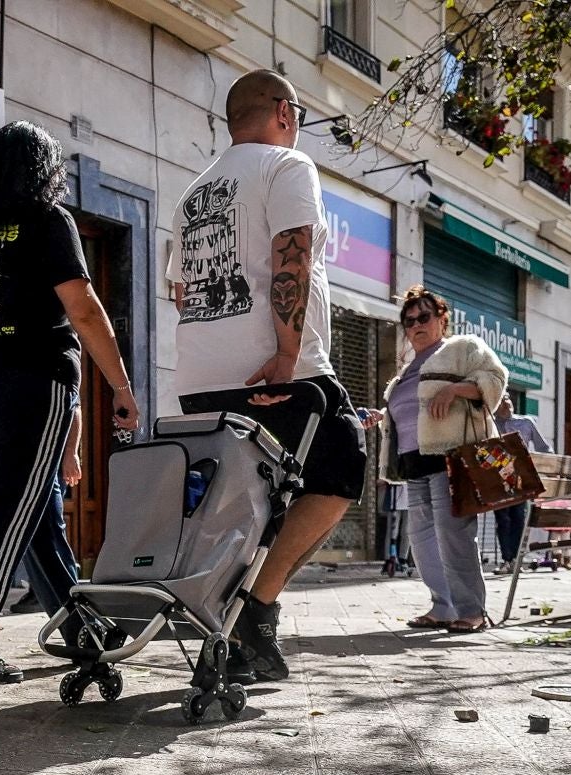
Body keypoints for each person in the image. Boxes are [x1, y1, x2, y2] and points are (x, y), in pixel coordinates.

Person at [166, 69, 370, 681]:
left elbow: (181, 292)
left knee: (249, 502)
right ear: (284, 111)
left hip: (202, 374)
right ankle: (257, 608)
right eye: (300, 110)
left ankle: (230, 619)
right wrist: (285, 352)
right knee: (340, 466)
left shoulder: (195, 193)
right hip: (278, 371)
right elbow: (295, 253)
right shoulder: (287, 167)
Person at [0, 121, 137, 683]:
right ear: (45, 169)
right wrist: (120, 386)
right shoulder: (47, 219)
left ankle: (83, 630)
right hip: (33, 381)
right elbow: (84, 310)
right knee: (7, 519)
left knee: (33, 519)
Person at [368, 286, 507, 632]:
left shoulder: (462, 349)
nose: (416, 324)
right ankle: (443, 607)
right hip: (413, 465)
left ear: (442, 319)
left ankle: (472, 610)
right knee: (423, 541)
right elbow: (412, 415)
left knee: (454, 536)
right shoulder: (405, 372)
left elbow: (495, 380)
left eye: (424, 316)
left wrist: (455, 389)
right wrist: (381, 416)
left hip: (451, 460)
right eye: (409, 320)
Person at [491, 393, 550, 571]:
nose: (506, 403)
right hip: (498, 478)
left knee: (518, 517)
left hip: (520, 478)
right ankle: (506, 559)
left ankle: (515, 559)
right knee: (502, 519)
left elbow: (544, 448)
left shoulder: (526, 422)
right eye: (501, 400)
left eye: (507, 399)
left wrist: (542, 467)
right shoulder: (490, 423)